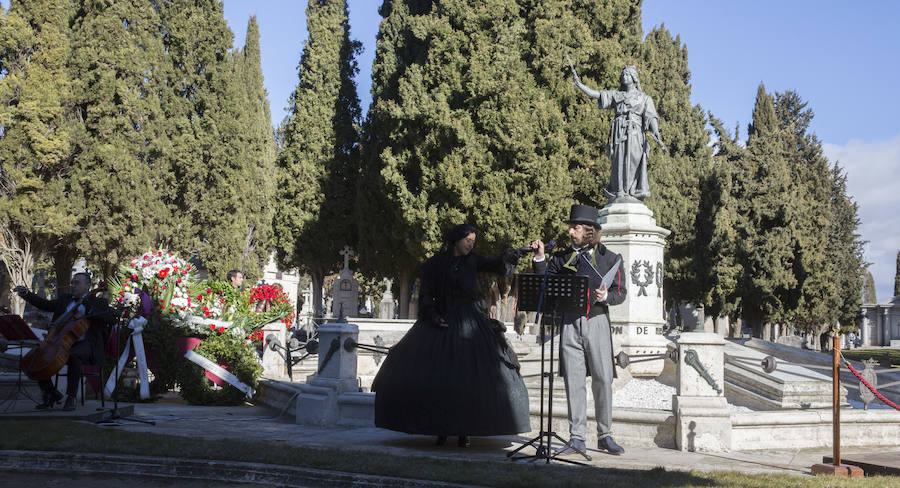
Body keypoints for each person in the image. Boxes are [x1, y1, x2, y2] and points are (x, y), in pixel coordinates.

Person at [372, 224, 530, 447]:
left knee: (469, 379)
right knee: (439, 377)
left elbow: (496, 263)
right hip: (441, 321)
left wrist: (517, 252)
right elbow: (426, 294)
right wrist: (434, 316)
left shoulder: (474, 260)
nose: (471, 244)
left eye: (474, 241)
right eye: (468, 240)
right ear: (457, 239)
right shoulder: (435, 264)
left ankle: (464, 431)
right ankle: (441, 429)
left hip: (470, 322)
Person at [530, 204, 627, 455]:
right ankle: (577, 438)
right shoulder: (561, 258)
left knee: (603, 379)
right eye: (571, 227)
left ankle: (605, 435)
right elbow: (544, 286)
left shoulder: (610, 258)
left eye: (576, 227)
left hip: (597, 320)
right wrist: (540, 258)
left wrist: (606, 296)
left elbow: (620, 293)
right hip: (569, 321)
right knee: (574, 381)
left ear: (590, 231)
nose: (571, 231)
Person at [14, 272, 118, 411]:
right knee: (35, 359)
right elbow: (45, 305)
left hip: (88, 345)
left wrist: (86, 303)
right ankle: (52, 394)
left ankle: (71, 397)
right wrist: (26, 293)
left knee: (74, 355)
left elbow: (110, 320)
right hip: (60, 342)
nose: (73, 285)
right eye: (72, 282)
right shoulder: (65, 299)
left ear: (88, 286)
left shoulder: (99, 302)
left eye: (77, 283)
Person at [571, 65, 666, 200]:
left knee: (634, 159)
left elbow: (651, 117)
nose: (624, 77)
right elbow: (596, 94)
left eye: (627, 75)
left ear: (634, 78)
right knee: (618, 162)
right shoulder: (616, 96)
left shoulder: (644, 98)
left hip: (635, 133)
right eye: (623, 75)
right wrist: (580, 85)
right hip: (618, 133)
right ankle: (619, 191)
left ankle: (633, 191)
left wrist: (656, 131)